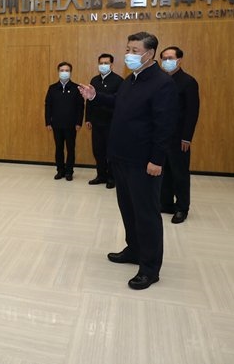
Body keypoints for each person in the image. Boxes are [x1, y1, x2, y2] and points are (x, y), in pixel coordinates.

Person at [78, 31, 177, 290]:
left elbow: (164, 126)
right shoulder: (131, 79)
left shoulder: (162, 83)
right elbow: (118, 103)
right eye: (128, 49)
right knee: (128, 208)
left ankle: (150, 268)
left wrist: (156, 160)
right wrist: (95, 96)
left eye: (135, 51)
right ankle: (134, 250)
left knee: (146, 214)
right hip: (121, 158)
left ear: (150, 54)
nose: (129, 55)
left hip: (143, 162)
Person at [158, 46, 200, 224]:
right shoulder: (160, 80)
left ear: (179, 60)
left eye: (170, 58)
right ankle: (166, 204)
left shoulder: (188, 81)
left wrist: (187, 137)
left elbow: (192, 112)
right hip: (161, 136)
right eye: (164, 58)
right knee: (164, 172)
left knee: (179, 173)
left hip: (179, 137)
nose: (166, 61)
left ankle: (182, 207)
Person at [86, 54, 123, 189]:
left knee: (110, 152)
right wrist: (88, 118)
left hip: (111, 123)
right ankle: (101, 175)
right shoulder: (94, 80)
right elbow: (89, 100)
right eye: (101, 63)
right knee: (98, 150)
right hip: (96, 122)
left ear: (111, 65)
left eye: (106, 63)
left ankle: (111, 178)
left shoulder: (118, 81)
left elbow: (119, 102)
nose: (103, 65)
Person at [45, 61, 83, 181]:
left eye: (67, 70)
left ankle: (69, 172)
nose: (64, 72)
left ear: (70, 72)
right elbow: (48, 106)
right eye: (62, 70)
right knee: (59, 148)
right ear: (58, 72)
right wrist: (48, 122)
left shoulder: (76, 88)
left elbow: (80, 107)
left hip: (71, 125)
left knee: (70, 149)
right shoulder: (52, 88)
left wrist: (79, 122)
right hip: (56, 124)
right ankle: (60, 171)